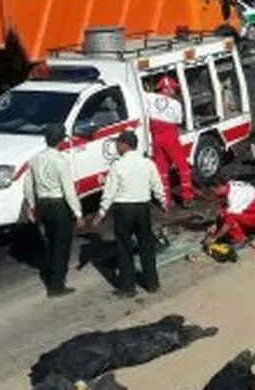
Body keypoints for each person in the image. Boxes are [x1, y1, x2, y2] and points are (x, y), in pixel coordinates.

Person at [90, 131, 166, 298]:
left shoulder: (117, 166)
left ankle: (128, 287)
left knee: (124, 248)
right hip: (142, 208)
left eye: (118, 143)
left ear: (125, 144)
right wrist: (162, 202)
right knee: (146, 245)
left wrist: (101, 213)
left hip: (123, 210)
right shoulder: (147, 163)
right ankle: (152, 283)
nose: (117, 146)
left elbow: (109, 192)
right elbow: (157, 185)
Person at [23, 123, 83, 298]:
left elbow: (28, 186)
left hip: (43, 205)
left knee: (50, 243)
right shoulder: (60, 161)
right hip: (58, 206)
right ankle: (57, 285)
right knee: (61, 247)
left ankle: (50, 277)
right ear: (62, 140)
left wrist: (32, 205)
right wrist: (77, 213)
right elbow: (68, 190)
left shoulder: (34, 159)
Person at [145, 75, 195, 208]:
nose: (174, 91)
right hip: (170, 136)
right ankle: (187, 197)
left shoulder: (149, 97)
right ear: (166, 88)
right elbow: (178, 121)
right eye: (173, 88)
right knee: (183, 166)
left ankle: (166, 200)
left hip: (156, 137)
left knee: (162, 169)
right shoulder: (175, 104)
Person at [204, 178, 255, 246]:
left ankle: (240, 239)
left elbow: (228, 222)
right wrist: (215, 225)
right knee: (226, 213)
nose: (213, 194)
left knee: (230, 218)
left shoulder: (235, 196)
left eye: (213, 191)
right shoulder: (230, 185)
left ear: (219, 186)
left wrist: (215, 237)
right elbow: (225, 208)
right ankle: (247, 229)